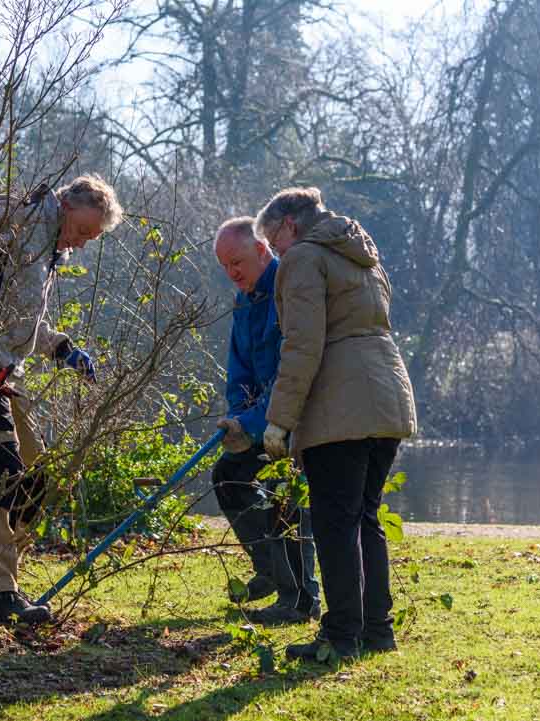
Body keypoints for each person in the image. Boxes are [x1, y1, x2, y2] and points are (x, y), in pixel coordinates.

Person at [0, 175, 123, 625]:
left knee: (33, 475)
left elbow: (19, 318)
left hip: (3, 370)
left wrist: (61, 348)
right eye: (84, 229)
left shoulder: (50, 248)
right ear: (69, 204)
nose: (83, 240)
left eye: (92, 238)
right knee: (2, 468)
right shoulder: (20, 214)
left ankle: (0, 572)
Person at [255, 187, 417, 663]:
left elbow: (303, 345)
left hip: (340, 406)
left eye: (273, 242)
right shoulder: (361, 251)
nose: (275, 255)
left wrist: (279, 421)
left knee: (334, 523)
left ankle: (341, 636)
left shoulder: (305, 257)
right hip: (387, 396)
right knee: (366, 516)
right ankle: (376, 629)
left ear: (289, 225)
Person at [211, 217, 320, 625]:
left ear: (262, 250)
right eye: (224, 266)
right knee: (228, 476)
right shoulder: (244, 301)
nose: (232, 273)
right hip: (260, 417)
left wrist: (255, 422)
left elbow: (288, 373)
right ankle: (270, 569)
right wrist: (238, 419)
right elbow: (239, 371)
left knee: (286, 498)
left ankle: (300, 600)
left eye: (237, 261)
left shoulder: (284, 289)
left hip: (294, 417)